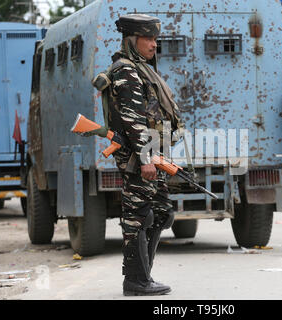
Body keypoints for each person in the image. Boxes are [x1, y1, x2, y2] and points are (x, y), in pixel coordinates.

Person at [92, 14, 183, 295]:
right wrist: (146, 159)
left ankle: (143, 277)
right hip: (139, 159)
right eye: (149, 38)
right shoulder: (126, 71)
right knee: (137, 218)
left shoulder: (141, 68)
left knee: (161, 212)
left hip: (151, 155)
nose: (155, 44)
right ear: (133, 40)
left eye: (156, 39)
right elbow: (134, 120)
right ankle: (135, 280)